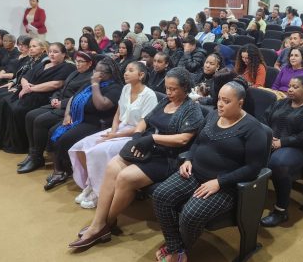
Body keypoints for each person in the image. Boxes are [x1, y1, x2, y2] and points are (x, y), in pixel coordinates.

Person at [68, 67, 204, 249]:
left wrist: (152, 138)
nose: (169, 92)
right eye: (167, 88)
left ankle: (103, 224)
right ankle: (99, 223)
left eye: (174, 89)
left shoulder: (191, 109)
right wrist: (139, 135)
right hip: (149, 148)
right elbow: (145, 120)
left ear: (185, 88)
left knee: (125, 178)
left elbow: (183, 139)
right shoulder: (164, 101)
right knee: (112, 167)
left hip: (168, 158)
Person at [152, 81, 268, 261]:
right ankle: (177, 247)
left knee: (191, 214)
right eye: (219, 99)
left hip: (224, 186)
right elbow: (198, 141)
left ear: (240, 102)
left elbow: (253, 168)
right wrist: (189, 158)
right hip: (195, 173)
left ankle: (179, 248)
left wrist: (219, 182)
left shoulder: (253, 129)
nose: (220, 104)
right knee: (160, 195)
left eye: (227, 101)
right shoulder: (213, 115)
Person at [69, 62, 158, 208]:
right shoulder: (126, 88)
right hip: (120, 128)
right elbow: (118, 112)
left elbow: (143, 126)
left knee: (98, 151)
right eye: (126, 70)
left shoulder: (149, 95)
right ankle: (92, 184)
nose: (126, 73)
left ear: (141, 75)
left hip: (135, 134)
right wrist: (113, 130)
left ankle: (100, 192)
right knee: (80, 146)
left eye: (131, 70)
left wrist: (116, 135)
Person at [45, 57, 124, 190]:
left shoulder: (115, 88)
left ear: (105, 75)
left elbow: (101, 105)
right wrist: (67, 114)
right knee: (54, 130)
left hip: (96, 123)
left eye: (97, 71)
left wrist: (95, 85)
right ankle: (63, 168)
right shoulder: (90, 83)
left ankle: (60, 171)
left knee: (65, 138)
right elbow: (73, 97)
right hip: (79, 118)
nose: (93, 73)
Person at [260, 77, 303, 227]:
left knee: (278, 163)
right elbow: (264, 119)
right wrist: (269, 136)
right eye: (289, 86)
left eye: (295, 87)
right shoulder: (280, 103)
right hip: (271, 142)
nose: (290, 89)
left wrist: (283, 142)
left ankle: (281, 211)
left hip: (297, 148)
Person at [17, 51, 94, 173]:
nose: (77, 64)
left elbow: (80, 97)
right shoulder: (74, 73)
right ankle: (32, 153)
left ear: (89, 64)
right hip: (57, 103)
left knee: (40, 121)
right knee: (29, 115)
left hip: (70, 108)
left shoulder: (90, 78)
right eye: (76, 61)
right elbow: (61, 89)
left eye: (81, 62)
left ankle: (37, 157)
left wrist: (62, 103)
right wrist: (54, 98)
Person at [0, 42, 76, 153]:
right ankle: (8, 140)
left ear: (63, 54)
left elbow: (56, 84)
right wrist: (25, 85)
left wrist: (30, 89)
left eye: (56, 52)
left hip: (45, 95)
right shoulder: (44, 63)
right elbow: (25, 76)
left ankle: (23, 145)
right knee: (6, 103)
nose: (52, 54)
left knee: (18, 109)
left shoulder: (67, 67)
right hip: (28, 92)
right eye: (50, 52)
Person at [0, 39, 49, 151]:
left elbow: (36, 79)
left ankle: (9, 136)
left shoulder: (45, 61)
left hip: (32, 90)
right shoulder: (32, 59)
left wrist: (19, 87)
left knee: (4, 100)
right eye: (30, 46)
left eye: (34, 46)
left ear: (43, 49)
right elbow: (21, 74)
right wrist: (13, 82)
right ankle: (3, 131)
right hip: (20, 85)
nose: (31, 48)